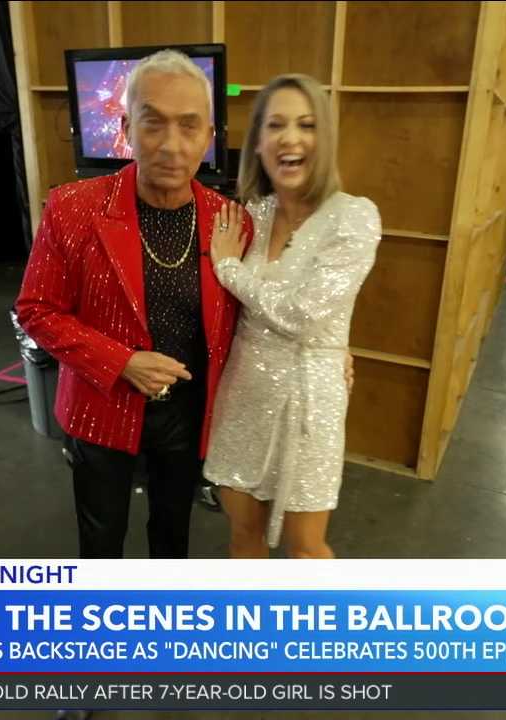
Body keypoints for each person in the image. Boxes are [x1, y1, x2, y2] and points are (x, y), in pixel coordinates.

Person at [15, 50, 251, 566]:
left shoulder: (230, 220)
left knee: (173, 535)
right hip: (101, 405)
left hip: (187, 413)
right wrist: (120, 361)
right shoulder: (73, 207)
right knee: (101, 542)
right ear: (125, 128)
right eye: (153, 123)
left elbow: (252, 316)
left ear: (209, 138)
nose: (171, 144)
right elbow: (36, 309)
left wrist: (322, 354)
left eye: (189, 126)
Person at [202, 73, 382, 560]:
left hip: (311, 399)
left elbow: (302, 315)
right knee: (243, 531)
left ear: (325, 138)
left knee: (305, 550)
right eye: (276, 125)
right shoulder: (252, 215)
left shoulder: (355, 217)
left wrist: (229, 269)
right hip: (244, 389)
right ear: (258, 142)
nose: (290, 138)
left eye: (306, 125)